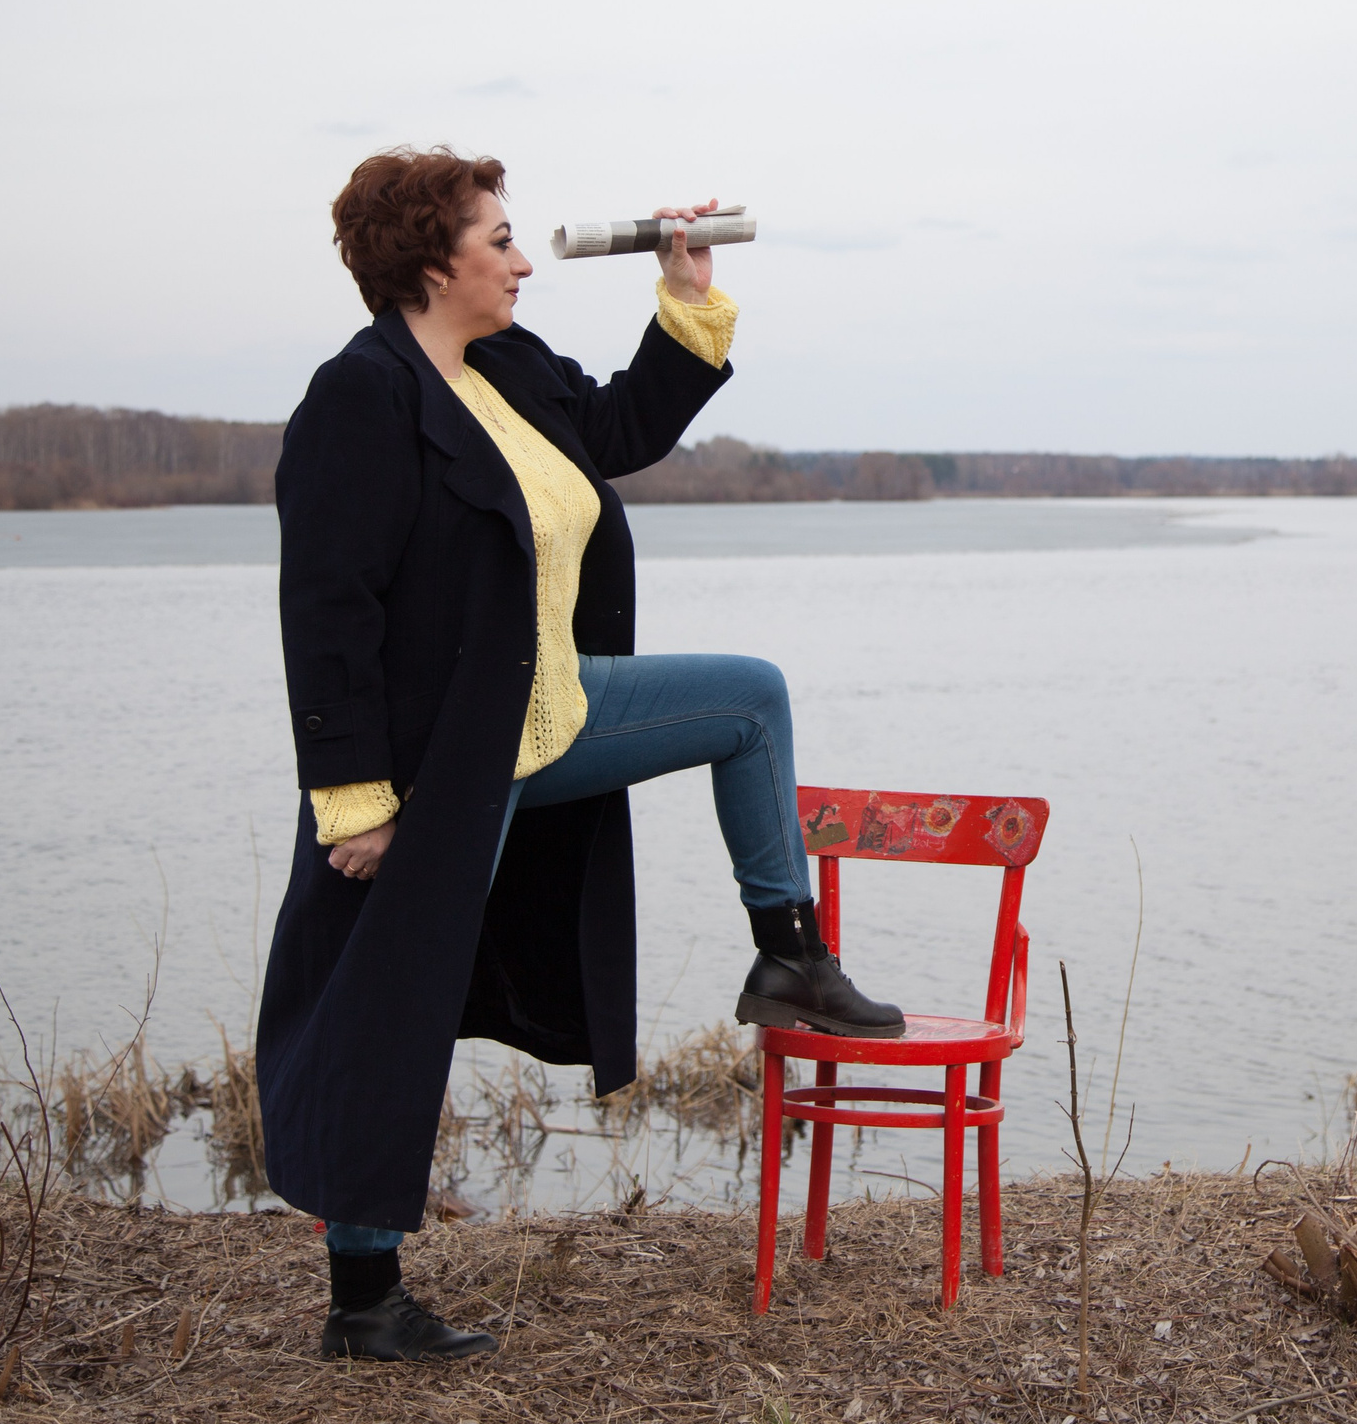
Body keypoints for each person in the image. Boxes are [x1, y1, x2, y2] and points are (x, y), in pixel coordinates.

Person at [259, 146, 904, 1362]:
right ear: (427, 261)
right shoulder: (362, 396)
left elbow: (617, 427)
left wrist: (687, 289)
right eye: (497, 239)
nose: (518, 258)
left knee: (749, 701)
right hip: (439, 760)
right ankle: (363, 1302)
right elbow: (325, 606)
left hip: (553, 709)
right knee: (382, 1007)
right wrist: (353, 800)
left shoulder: (504, 369)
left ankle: (792, 959)